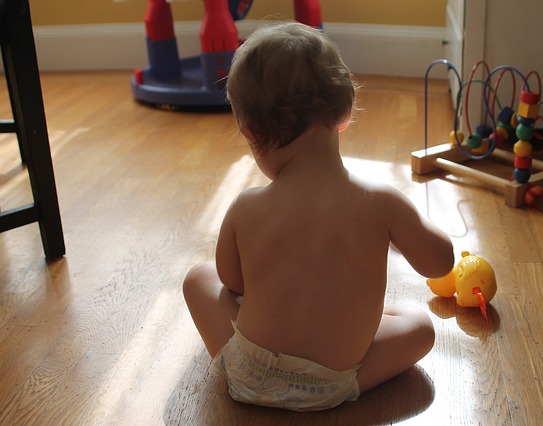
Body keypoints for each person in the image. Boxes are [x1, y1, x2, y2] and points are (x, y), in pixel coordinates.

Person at [183, 22, 454, 412]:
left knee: (198, 278)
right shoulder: (381, 202)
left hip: (246, 375)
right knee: (419, 325)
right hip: (330, 385)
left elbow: (231, 283)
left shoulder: (246, 207)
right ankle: (351, 378)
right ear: (344, 112)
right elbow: (440, 263)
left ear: (250, 132)